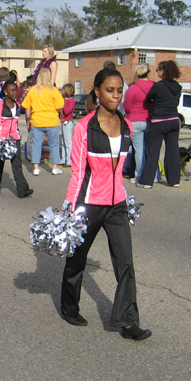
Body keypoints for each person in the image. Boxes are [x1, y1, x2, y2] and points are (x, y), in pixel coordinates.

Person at [59, 68, 151, 341]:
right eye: (110, 90)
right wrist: (70, 210)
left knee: (125, 263)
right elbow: (78, 173)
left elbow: (120, 169)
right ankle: (68, 307)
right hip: (89, 204)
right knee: (77, 259)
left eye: (120, 90)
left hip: (118, 204)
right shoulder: (83, 127)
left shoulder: (127, 125)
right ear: (97, 91)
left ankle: (127, 321)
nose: (116, 96)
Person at [137, 60, 182, 188]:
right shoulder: (178, 87)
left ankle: (147, 181)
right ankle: (174, 180)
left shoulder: (158, 86)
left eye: (158, 70)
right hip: (173, 119)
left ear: (163, 71)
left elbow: (148, 98)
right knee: (172, 150)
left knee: (153, 151)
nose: (156, 72)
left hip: (159, 121)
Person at [0, 79, 32, 198]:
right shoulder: (0, 106)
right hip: (2, 139)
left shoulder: (17, 105)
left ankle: (22, 190)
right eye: (12, 90)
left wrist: (17, 136)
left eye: (16, 90)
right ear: (6, 92)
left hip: (14, 138)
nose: (15, 92)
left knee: (17, 165)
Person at [22, 67, 64, 176]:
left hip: (37, 120)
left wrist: (28, 119)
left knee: (36, 144)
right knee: (54, 144)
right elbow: (60, 105)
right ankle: (55, 167)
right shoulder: (53, 90)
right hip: (52, 120)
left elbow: (27, 106)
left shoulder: (33, 90)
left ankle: (36, 168)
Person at [122, 64, 154, 182]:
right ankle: (153, 175)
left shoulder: (133, 88)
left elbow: (127, 106)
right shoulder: (154, 86)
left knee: (138, 150)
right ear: (148, 73)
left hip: (135, 120)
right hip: (149, 119)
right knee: (150, 149)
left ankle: (138, 175)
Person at [60, 83, 76, 166]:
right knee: (63, 142)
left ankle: (69, 160)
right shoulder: (65, 100)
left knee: (68, 142)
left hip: (68, 122)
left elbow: (67, 111)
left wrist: (64, 102)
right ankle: (63, 158)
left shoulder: (71, 100)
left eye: (63, 90)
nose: (62, 92)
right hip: (63, 121)